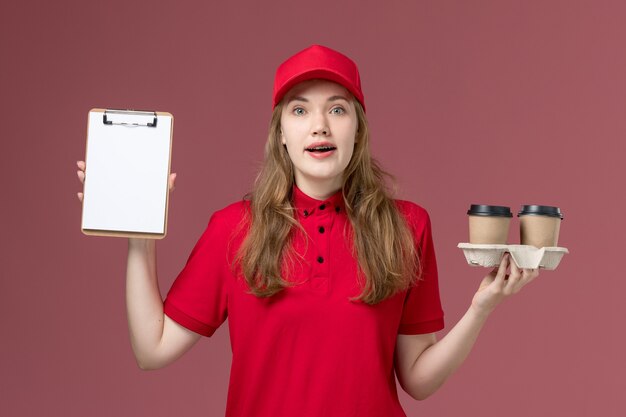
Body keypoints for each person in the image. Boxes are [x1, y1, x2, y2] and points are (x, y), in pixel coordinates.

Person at [76, 45, 539, 417]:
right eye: (300, 111)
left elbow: (417, 379)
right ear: (280, 132)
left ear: (358, 127)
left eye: (337, 110)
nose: (319, 125)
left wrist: (481, 308)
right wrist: (141, 231)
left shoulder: (407, 226)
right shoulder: (234, 228)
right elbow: (151, 350)